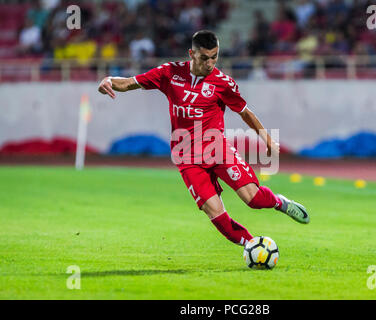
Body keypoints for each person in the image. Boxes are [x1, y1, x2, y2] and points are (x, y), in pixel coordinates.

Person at [98, 30, 309, 246]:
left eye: (214, 57)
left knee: (253, 199)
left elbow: (245, 112)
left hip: (218, 150)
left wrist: (267, 139)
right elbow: (129, 83)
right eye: (204, 58)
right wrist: (108, 80)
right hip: (187, 158)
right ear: (192, 53)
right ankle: (252, 245)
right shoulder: (170, 73)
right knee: (216, 213)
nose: (210, 63)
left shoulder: (223, 83)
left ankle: (279, 203)